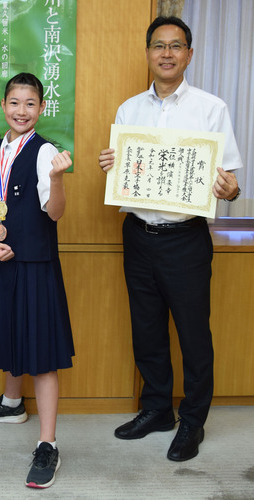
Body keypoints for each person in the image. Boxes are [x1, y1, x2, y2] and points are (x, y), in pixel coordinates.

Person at [99, 16, 243, 462]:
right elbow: (127, 169)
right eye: (158, 46)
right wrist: (113, 164)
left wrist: (229, 190)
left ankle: (193, 421)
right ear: (148, 53)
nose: (166, 53)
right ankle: (157, 409)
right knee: (147, 329)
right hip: (138, 234)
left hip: (185, 239)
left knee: (193, 333)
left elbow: (231, 179)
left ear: (189, 54)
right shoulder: (129, 110)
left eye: (175, 46)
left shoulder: (211, 107)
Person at [0, 73, 74, 488]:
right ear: (4, 105)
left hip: (36, 263)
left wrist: (59, 178)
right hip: (1, 258)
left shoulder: (46, 153)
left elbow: (56, 213)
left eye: (30, 104)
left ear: (41, 108)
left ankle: (48, 444)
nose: (21, 111)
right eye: (14, 102)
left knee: (41, 351)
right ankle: (12, 403)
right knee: (7, 330)